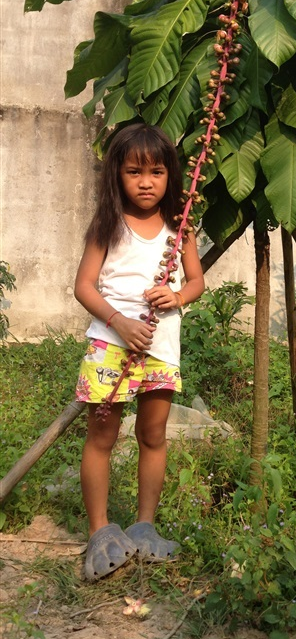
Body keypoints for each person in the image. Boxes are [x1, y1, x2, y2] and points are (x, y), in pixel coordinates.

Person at [73, 122, 205, 581]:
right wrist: (120, 322)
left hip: (161, 346)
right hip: (111, 344)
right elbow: (83, 286)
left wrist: (179, 297)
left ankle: (144, 526)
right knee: (102, 437)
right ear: (117, 175)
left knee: (153, 435)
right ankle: (100, 530)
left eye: (156, 172)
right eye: (134, 172)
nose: (146, 182)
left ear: (171, 175)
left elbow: (196, 281)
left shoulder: (179, 227)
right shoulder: (107, 225)